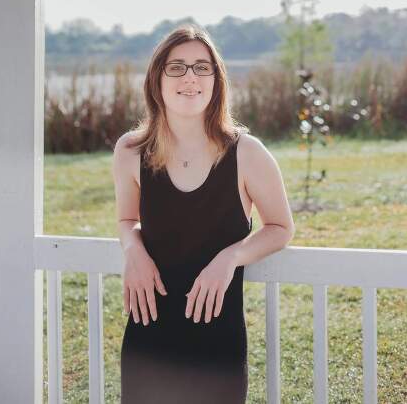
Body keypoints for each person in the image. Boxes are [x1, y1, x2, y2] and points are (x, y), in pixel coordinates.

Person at [113, 24, 295, 403]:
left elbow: (280, 227)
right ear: (156, 80)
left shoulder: (247, 153)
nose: (190, 78)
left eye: (202, 67)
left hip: (217, 345)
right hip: (147, 340)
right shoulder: (130, 150)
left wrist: (231, 257)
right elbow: (126, 220)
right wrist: (134, 251)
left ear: (216, 79)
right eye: (176, 67)